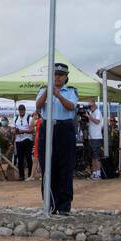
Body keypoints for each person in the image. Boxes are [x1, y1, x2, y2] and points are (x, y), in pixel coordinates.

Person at [35, 62, 79, 214]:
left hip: (64, 128)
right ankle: (49, 203)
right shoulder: (43, 90)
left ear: (66, 77)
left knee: (65, 167)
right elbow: (38, 106)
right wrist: (48, 92)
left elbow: (71, 106)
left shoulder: (71, 91)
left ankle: (64, 205)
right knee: (48, 166)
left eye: (60, 75)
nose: (57, 77)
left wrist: (58, 94)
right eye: (54, 74)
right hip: (48, 128)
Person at [84, 101, 105, 180]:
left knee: (96, 156)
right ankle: (94, 172)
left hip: (96, 137)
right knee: (93, 156)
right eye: (89, 106)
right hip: (91, 137)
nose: (90, 108)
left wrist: (89, 117)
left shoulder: (98, 112)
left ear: (94, 106)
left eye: (90, 106)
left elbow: (97, 121)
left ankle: (98, 173)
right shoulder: (91, 112)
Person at [12, 104, 34, 180]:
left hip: (27, 139)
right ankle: (21, 176)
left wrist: (22, 131)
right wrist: (14, 131)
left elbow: (32, 130)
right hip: (18, 140)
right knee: (20, 159)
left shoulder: (29, 118)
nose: (21, 111)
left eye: (22, 110)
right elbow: (13, 129)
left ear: (24, 110)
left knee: (28, 158)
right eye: (20, 110)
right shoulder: (16, 118)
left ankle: (30, 175)